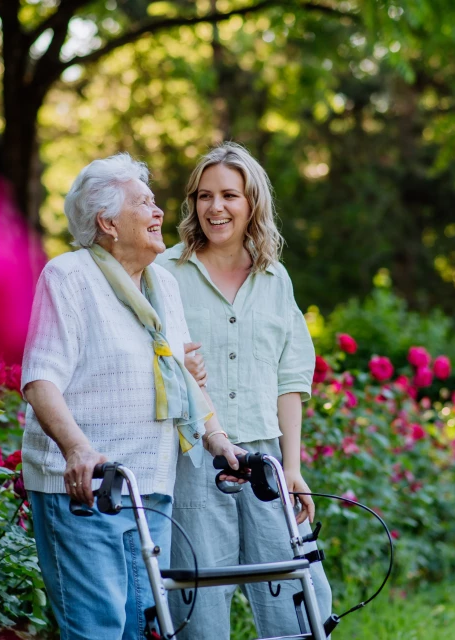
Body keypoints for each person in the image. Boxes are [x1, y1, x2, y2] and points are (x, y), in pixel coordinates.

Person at [20, 153, 241, 640]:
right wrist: (77, 448)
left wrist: (218, 438)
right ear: (107, 222)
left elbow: (182, 376)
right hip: (86, 489)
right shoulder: (70, 277)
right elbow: (40, 378)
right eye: (144, 203)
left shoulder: (162, 283)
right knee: (98, 628)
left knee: (145, 629)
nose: (160, 212)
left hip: (150, 487)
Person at [156, 142, 333, 639]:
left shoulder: (275, 280)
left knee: (296, 600)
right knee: (199, 604)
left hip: (264, 460)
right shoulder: (165, 274)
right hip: (193, 459)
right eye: (204, 196)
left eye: (230, 195)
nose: (216, 208)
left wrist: (292, 467)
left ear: (252, 202)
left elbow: (291, 381)